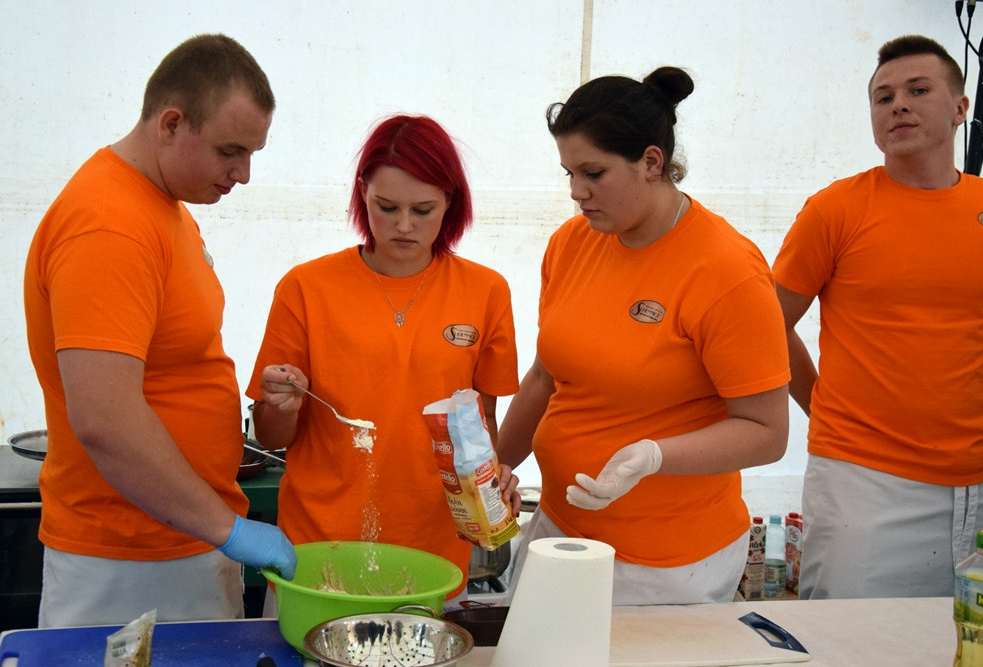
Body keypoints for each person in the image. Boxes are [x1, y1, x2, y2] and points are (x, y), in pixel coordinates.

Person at [23, 34, 296, 628]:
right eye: (231, 151)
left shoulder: (161, 204)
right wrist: (228, 528)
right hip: (129, 561)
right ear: (171, 123)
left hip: (181, 539)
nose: (243, 175)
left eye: (253, 153)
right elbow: (105, 417)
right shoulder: (109, 225)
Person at [497, 67, 791, 606]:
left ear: (651, 162)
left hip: (667, 561)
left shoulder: (725, 269)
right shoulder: (574, 242)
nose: (576, 193)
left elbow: (767, 432)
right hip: (561, 529)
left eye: (593, 173)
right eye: (568, 173)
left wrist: (656, 456)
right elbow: (545, 374)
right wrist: (498, 465)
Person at [247, 114, 520, 606]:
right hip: (319, 552)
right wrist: (278, 405)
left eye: (424, 209)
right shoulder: (306, 289)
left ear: (451, 202)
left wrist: (493, 479)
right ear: (361, 193)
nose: (403, 225)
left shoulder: (486, 291)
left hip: (433, 556)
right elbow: (271, 437)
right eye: (386, 206)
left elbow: (482, 425)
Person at [773, 34, 983, 599]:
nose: (898, 106)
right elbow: (765, 325)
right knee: (848, 647)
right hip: (863, 478)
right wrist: (818, 403)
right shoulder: (838, 208)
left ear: (962, 108)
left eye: (918, 90)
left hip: (976, 482)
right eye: (882, 97)